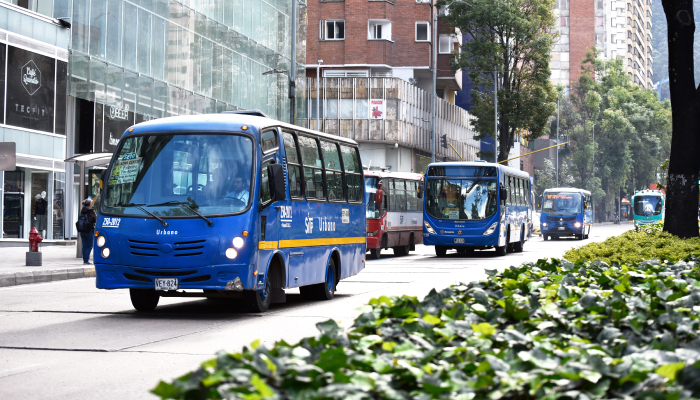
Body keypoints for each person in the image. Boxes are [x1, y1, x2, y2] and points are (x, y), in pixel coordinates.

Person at [77, 198, 97, 265]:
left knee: (84, 245)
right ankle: (86, 260)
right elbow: (95, 220)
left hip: (82, 230)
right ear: (90, 204)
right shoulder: (92, 211)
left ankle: (85, 260)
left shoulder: (82, 210)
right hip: (89, 230)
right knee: (90, 245)